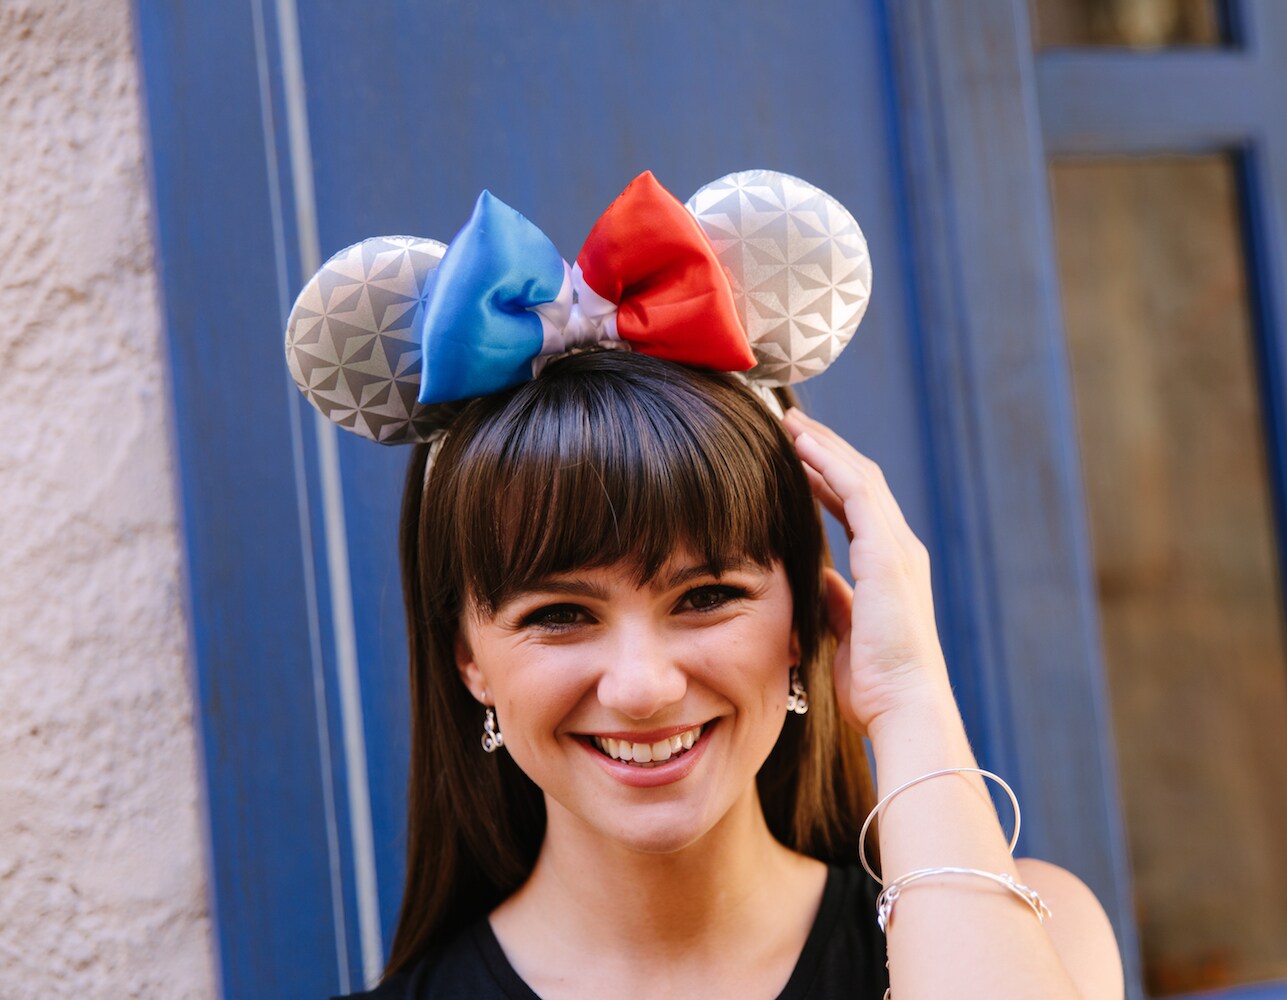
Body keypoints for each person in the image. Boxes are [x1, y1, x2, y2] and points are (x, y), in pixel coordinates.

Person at [288, 171, 1124, 999]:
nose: (644, 688)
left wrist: (908, 698)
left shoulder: (1041, 935)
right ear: (468, 657)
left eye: (705, 597)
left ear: (803, 617)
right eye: (561, 614)